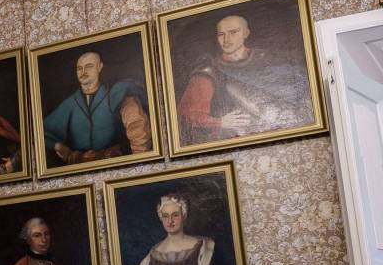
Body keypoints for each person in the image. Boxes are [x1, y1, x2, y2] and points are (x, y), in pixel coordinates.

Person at [178, 14, 309, 146]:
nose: (226, 39)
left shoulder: (267, 59)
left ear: (246, 33)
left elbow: (298, 90)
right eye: (221, 34)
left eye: (233, 32)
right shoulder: (208, 72)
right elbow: (189, 115)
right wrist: (220, 122)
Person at [42, 51, 151, 165]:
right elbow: (42, 132)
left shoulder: (116, 93)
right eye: (79, 68)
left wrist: (140, 162)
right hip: (79, 166)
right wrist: (57, 145)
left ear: (100, 67)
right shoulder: (71, 102)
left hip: (113, 162)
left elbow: (137, 126)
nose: (83, 72)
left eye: (89, 66)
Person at [135, 194, 218, 265]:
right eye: (165, 216)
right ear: (160, 218)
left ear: (184, 215)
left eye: (175, 215)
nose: (170, 221)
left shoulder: (204, 246)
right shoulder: (152, 255)